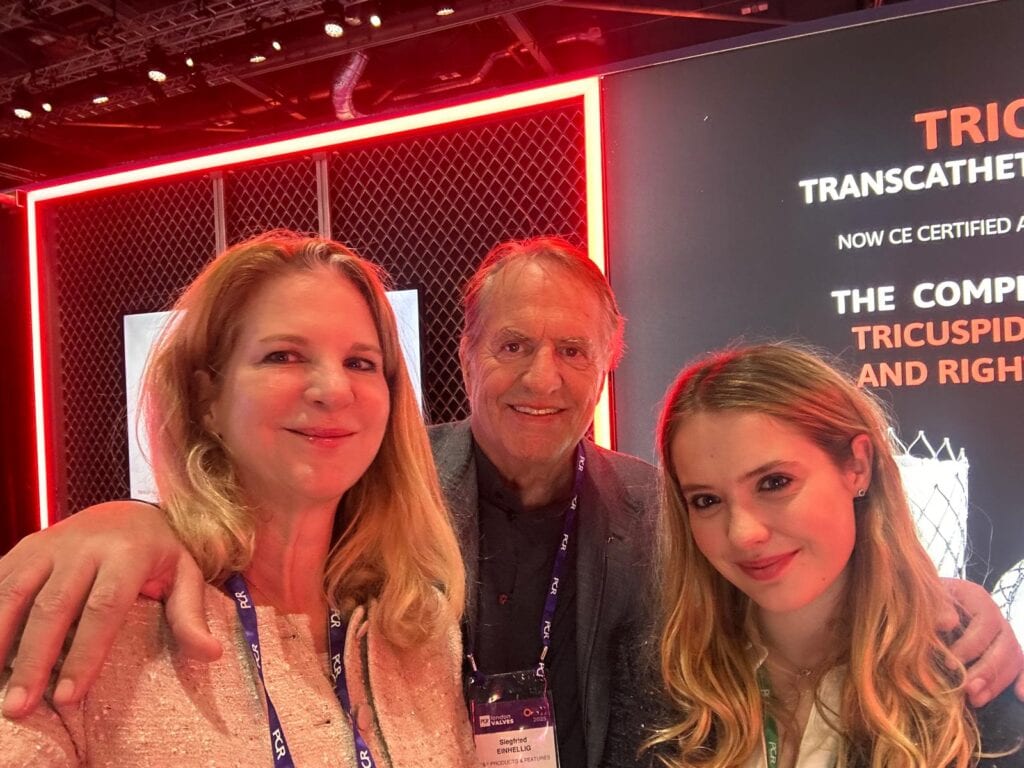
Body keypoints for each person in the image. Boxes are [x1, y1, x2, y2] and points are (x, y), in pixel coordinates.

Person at [0, 240, 1022, 766]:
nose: (541, 375)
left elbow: (808, 600)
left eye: (571, 349)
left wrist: (939, 604)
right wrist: (131, 519)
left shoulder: (658, 510)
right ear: (462, 357)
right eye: (512, 345)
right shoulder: (376, 500)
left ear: (607, 362)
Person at [0, 232, 477, 766]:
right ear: (207, 400)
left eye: (361, 363)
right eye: (284, 355)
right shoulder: (105, 609)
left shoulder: (417, 631)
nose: (333, 389)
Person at [647, 343, 1023, 768]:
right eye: (706, 501)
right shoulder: (665, 678)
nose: (743, 533)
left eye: (774, 483)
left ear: (857, 466)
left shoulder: (966, 675)